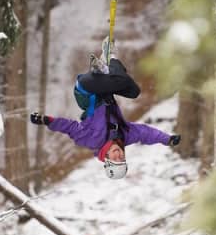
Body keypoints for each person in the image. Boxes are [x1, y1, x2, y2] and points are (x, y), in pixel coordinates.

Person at [30, 37, 181, 179]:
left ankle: (109, 56)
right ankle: (103, 70)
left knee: (120, 80)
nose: (119, 156)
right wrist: (167, 140)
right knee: (134, 91)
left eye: (116, 160)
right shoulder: (125, 136)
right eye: (122, 159)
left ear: (107, 159)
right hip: (105, 90)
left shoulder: (92, 141)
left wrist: (46, 120)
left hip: (86, 89)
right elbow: (146, 133)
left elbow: (70, 127)